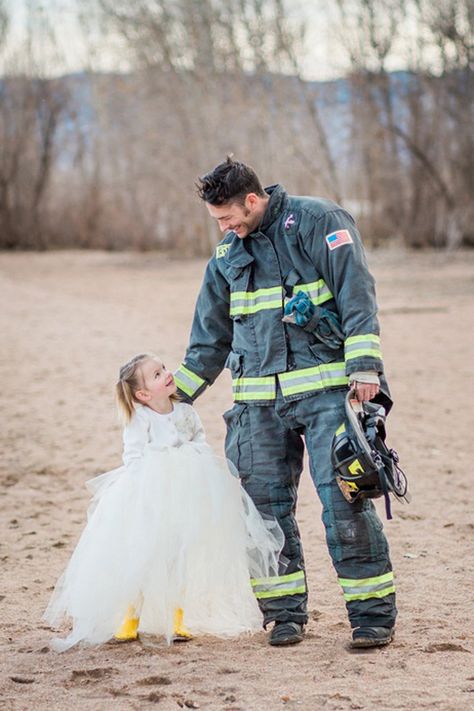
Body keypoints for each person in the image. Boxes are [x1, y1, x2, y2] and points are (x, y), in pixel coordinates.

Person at [174, 156, 397, 648]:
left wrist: (365, 366)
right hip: (256, 404)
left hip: (324, 395)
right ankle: (284, 616)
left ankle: (372, 617)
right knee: (261, 513)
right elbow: (210, 336)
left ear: (252, 200)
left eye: (227, 216)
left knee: (346, 502)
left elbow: (356, 292)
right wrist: (176, 394)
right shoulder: (226, 256)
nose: (224, 227)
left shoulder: (321, 222)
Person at [43, 352, 283, 651]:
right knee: (143, 555)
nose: (167, 374)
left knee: (178, 556)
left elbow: (198, 441)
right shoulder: (140, 418)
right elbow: (133, 456)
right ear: (143, 394)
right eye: (156, 375)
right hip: (150, 495)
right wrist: (149, 480)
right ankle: (130, 617)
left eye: (163, 368)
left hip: (184, 492)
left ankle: (177, 616)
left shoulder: (185, 412)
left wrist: (198, 465)